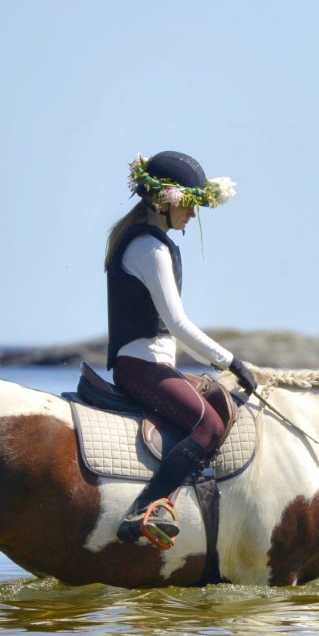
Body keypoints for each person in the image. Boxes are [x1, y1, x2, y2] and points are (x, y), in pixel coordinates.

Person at [104, 151, 260, 548]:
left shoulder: (148, 242)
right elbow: (177, 324)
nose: (193, 215)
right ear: (164, 201)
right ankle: (146, 508)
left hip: (151, 364)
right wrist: (232, 361)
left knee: (219, 402)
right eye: (190, 205)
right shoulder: (148, 248)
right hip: (141, 366)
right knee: (208, 426)